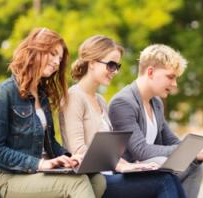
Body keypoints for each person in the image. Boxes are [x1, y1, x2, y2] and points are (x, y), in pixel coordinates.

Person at [59, 35, 186, 198]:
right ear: (91, 63)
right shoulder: (74, 97)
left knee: (167, 177)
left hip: (109, 174)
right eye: (111, 65)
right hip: (92, 180)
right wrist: (121, 165)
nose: (114, 72)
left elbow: (110, 151)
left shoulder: (100, 100)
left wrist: (128, 165)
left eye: (117, 66)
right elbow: (78, 150)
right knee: (164, 180)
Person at [0, 28, 102, 198]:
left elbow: (50, 142)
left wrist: (70, 157)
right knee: (77, 183)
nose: (56, 62)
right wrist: (40, 164)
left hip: (44, 171)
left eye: (59, 58)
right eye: (52, 54)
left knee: (98, 180)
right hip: (14, 177)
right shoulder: (3, 94)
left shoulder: (42, 95)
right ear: (34, 51)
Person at [108, 43, 203, 198]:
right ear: (150, 72)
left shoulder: (156, 103)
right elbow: (141, 151)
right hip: (126, 177)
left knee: (195, 166)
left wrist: (197, 149)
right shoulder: (123, 102)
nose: (174, 84)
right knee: (162, 161)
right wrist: (190, 151)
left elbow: (172, 142)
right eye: (170, 77)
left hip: (151, 170)